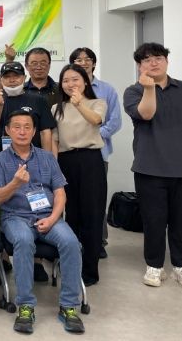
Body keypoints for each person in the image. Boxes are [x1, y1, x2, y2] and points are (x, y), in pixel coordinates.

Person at [0, 111, 84, 335]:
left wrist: (52, 218)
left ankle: (69, 306)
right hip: (16, 217)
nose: (22, 131)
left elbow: (60, 193)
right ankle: (26, 306)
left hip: (48, 215)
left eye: (27, 127)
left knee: (71, 242)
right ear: (8, 130)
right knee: (23, 241)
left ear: (34, 131)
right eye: (17, 127)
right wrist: (15, 183)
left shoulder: (47, 158)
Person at [0, 62, 56, 282]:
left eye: (16, 76)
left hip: (33, 159)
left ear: (23, 77)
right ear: (1, 80)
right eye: (7, 76)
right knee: (3, 207)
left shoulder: (37, 99)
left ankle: (36, 261)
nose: (12, 80)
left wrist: (48, 161)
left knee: (36, 203)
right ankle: (3, 258)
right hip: (3, 161)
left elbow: (45, 132)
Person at [123, 42, 182, 287]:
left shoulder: (180, 88)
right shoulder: (133, 91)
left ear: (167, 61)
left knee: (180, 221)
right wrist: (149, 88)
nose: (153, 63)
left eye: (158, 57)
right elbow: (146, 114)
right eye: (146, 60)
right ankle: (154, 266)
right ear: (140, 66)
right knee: (154, 221)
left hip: (179, 168)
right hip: (149, 168)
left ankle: (179, 265)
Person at [52, 64, 107, 286]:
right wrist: (54, 167)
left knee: (92, 215)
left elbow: (95, 120)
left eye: (75, 79)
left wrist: (79, 104)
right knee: (71, 215)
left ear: (85, 81)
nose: (70, 84)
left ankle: (90, 270)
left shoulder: (97, 103)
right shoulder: (56, 108)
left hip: (90, 160)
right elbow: (55, 140)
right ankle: (71, 265)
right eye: (65, 80)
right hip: (66, 161)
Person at [68, 47, 122, 258]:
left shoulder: (106, 90)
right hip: (70, 155)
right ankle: (73, 243)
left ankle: (98, 242)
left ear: (94, 63)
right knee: (73, 202)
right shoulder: (65, 90)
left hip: (98, 153)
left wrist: (94, 135)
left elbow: (114, 121)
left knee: (95, 201)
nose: (83, 62)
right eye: (78, 60)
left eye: (87, 59)